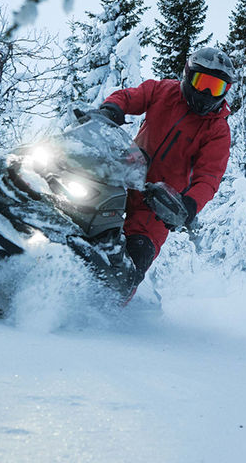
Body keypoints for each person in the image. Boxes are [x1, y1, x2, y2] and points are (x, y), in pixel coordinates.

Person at [88, 46, 234, 300]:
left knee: (135, 258)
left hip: (158, 204)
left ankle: (108, 317)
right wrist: (111, 108)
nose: (207, 93)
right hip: (122, 177)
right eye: (202, 82)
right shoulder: (163, 91)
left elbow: (209, 177)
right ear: (188, 75)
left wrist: (189, 204)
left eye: (216, 87)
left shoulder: (217, 129)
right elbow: (131, 96)